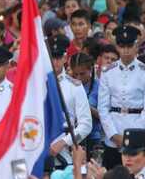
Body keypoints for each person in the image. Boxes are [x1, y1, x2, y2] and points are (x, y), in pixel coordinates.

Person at [98, 25, 145, 169]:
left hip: (138, 130)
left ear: (136, 45)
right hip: (114, 131)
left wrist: (133, 135)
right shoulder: (108, 72)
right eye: (122, 45)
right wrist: (113, 134)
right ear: (117, 47)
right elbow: (103, 108)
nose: (125, 50)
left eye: (129, 45)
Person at [47, 35, 92, 163]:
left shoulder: (75, 86)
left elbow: (86, 124)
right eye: (52, 57)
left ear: (65, 58)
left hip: (66, 148)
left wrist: (64, 142)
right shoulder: (36, 85)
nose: (55, 62)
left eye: (58, 57)